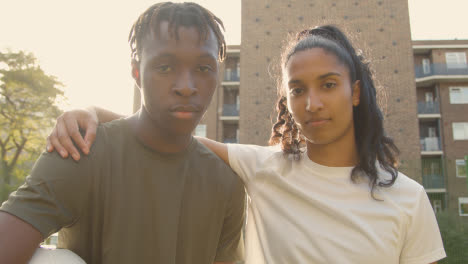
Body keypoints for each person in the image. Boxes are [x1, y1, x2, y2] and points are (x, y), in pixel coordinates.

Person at [45, 25, 446, 263]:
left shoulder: (407, 199)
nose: (313, 103)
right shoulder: (263, 168)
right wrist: (91, 110)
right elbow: (165, 131)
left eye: (328, 85)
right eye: (297, 89)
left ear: (355, 92)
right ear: (286, 101)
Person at [0, 2, 246, 264]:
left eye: (203, 69)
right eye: (165, 67)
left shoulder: (226, 183)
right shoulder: (81, 151)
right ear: (136, 73)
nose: (186, 87)